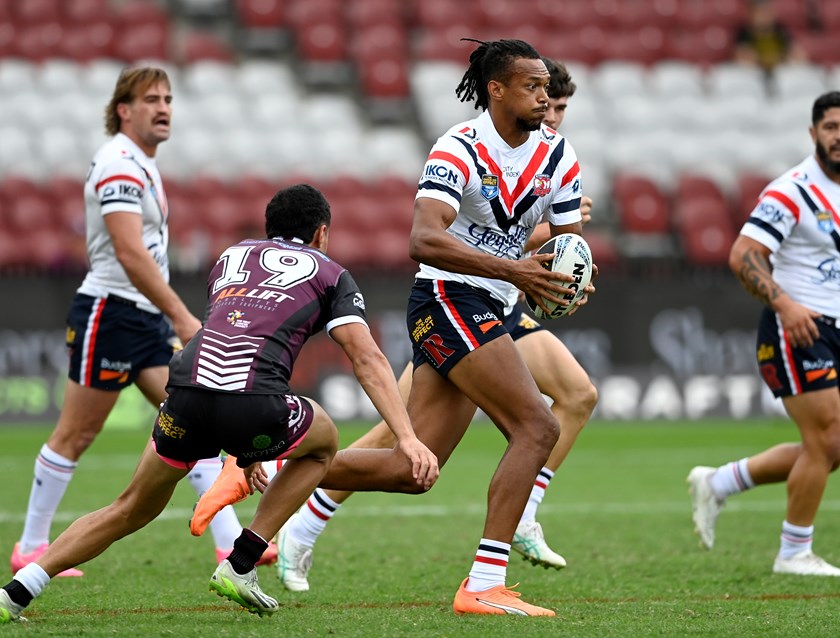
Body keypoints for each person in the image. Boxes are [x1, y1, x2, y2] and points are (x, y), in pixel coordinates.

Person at [196, 38, 591, 617]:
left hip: (495, 302)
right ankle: (483, 583)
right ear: (496, 89)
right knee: (536, 426)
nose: (544, 96)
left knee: (414, 470)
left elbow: (565, 242)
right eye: (532, 86)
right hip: (447, 298)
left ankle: (271, 466)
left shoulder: (560, 155)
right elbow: (423, 239)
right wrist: (516, 270)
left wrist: (571, 276)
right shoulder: (459, 146)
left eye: (546, 88)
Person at [0, 184, 439, 624]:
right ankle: (242, 562)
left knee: (129, 507)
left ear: (269, 229)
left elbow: (230, 336)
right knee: (323, 440)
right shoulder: (329, 271)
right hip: (252, 402)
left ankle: (17, 591)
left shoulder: (230, 258)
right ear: (322, 233)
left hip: (184, 396)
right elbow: (366, 357)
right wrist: (407, 437)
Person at [6, 66, 261, 578]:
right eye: (151, 99)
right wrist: (182, 315)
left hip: (140, 317)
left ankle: (229, 541)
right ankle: (31, 546)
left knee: (192, 417)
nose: (163, 107)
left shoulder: (141, 164)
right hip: (110, 315)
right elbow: (127, 250)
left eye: (168, 98)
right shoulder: (118, 163)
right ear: (124, 110)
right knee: (75, 434)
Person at [688, 91, 840, 576]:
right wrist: (786, 304)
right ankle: (794, 551)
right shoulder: (793, 190)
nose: (839, 136)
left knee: (829, 446)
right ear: (813, 132)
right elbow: (744, 254)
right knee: (830, 438)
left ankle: (721, 482)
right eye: (832, 127)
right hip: (800, 327)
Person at [733, 0, 807, 75]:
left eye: (766, 13)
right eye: (759, 14)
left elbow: (795, 52)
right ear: (751, 15)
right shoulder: (744, 32)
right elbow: (743, 56)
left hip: (780, 70)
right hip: (755, 72)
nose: (763, 18)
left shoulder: (780, 29)